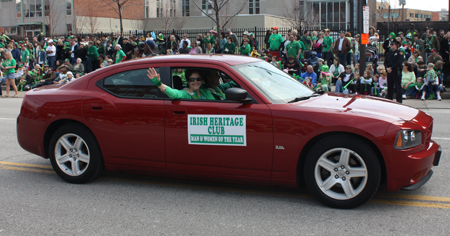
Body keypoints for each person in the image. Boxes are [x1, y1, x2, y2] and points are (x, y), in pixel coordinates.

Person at [147, 68, 215, 100]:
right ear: (187, 81)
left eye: (198, 79)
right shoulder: (186, 93)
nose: (195, 81)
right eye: (192, 79)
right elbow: (174, 94)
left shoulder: (206, 92)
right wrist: (159, 84)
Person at [384, 39, 404, 103]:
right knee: (390, 86)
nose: (391, 46)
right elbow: (385, 62)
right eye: (390, 44)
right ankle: (390, 100)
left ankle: (399, 100)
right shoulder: (389, 53)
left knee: (397, 86)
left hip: (396, 72)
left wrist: (392, 68)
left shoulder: (399, 53)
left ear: (396, 45)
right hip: (389, 72)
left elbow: (399, 62)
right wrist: (387, 68)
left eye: (392, 45)